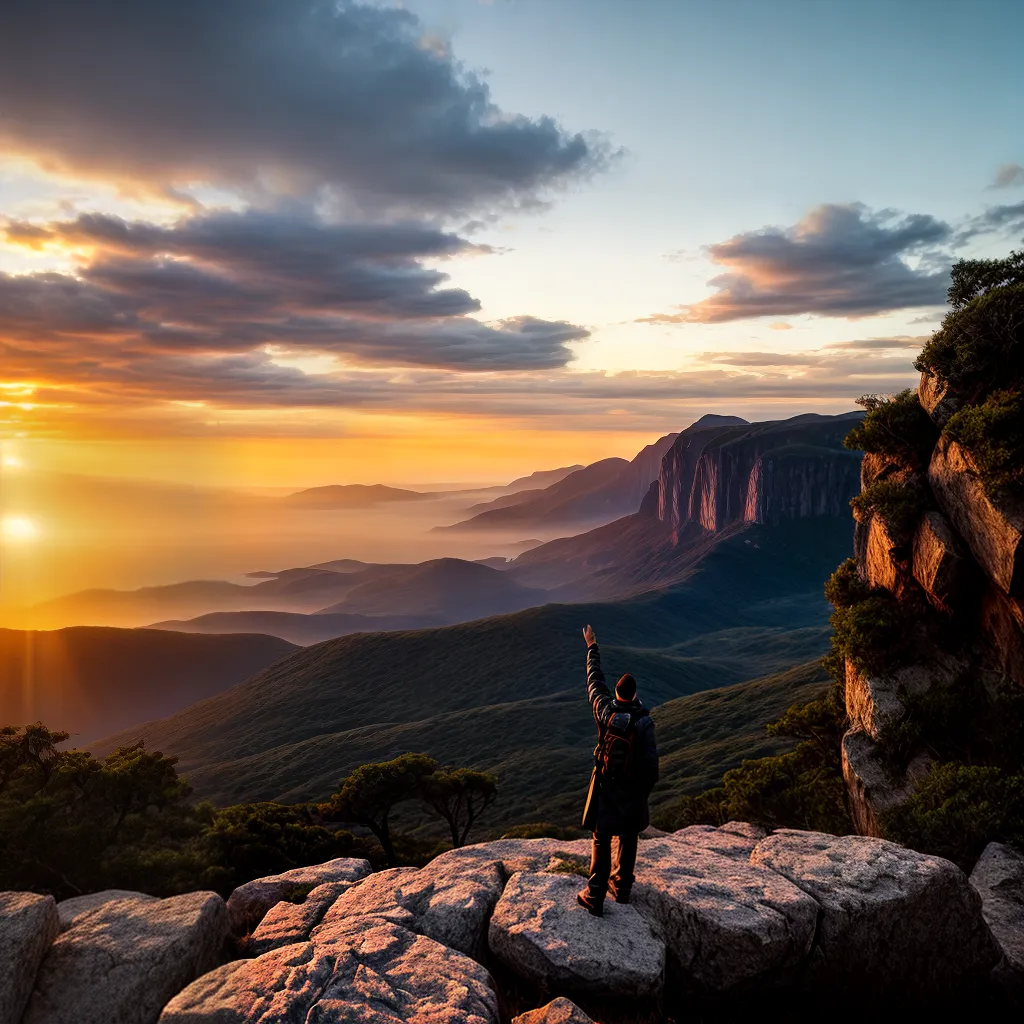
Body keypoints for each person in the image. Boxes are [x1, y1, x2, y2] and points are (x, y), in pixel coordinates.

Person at [577, 623, 659, 917]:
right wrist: (642, 793)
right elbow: (651, 767)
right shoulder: (643, 723)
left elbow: (593, 680)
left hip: (605, 784)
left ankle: (594, 895)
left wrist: (592, 646)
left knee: (601, 837)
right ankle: (622, 888)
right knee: (629, 835)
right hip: (632, 789)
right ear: (636, 694)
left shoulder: (604, 709)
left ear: (617, 692)